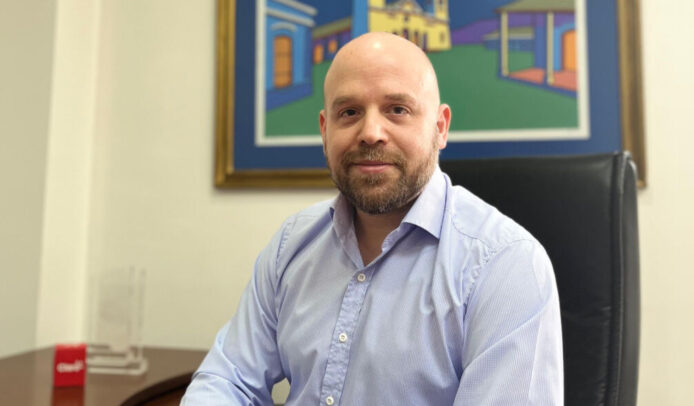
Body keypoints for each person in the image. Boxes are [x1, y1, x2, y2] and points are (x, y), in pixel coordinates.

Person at [182, 32, 563, 405]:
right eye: (349, 112)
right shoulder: (292, 245)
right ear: (325, 130)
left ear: (440, 127)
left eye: (397, 109)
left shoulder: (505, 264)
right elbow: (228, 379)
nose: (370, 133)